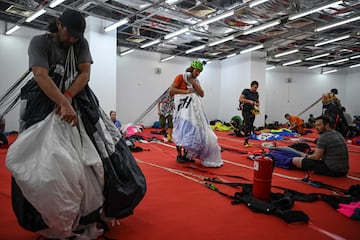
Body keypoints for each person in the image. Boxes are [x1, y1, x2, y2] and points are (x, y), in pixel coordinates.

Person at [7, 9, 146, 239]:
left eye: (76, 37)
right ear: (59, 24)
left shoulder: (80, 43)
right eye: (69, 34)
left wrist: (69, 96)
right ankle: (53, 218)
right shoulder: (39, 43)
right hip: (44, 102)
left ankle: (91, 213)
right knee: (49, 161)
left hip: (78, 100)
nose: (72, 40)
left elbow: (85, 74)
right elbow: (40, 75)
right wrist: (62, 102)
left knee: (94, 158)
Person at [170, 60, 223, 168]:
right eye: (196, 71)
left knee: (191, 132)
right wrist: (186, 92)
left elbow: (202, 94)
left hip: (192, 112)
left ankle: (187, 154)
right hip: (182, 109)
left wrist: (194, 83)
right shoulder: (180, 77)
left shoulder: (195, 81)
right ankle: (179, 154)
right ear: (192, 68)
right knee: (181, 130)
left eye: (199, 72)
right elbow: (172, 90)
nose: (198, 73)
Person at [239, 80, 259, 147]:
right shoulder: (246, 91)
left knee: (251, 125)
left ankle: (247, 140)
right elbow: (241, 99)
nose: (256, 89)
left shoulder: (256, 93)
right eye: (255, 87)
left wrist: (257, 104)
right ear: (251, 86)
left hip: (253, 110)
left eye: (257, 87)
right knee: (247, 124)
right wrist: (249, 101)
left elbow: (258, 102)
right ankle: (245, 141)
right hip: (246, 110)